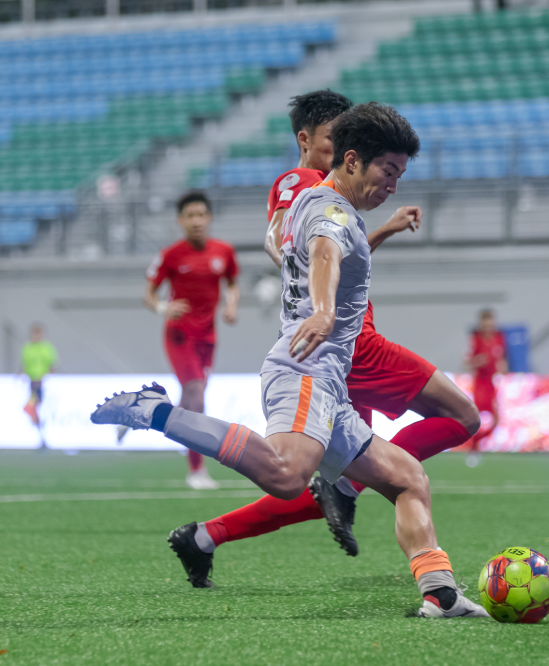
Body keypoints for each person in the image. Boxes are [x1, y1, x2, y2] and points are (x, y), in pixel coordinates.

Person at [93, 103, 488, 618]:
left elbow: (309, 246)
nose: (393, 185)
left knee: (407, 477)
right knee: (285, 476)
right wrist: (323, 310)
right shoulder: (330, 210)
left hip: (330, 380)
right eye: (388, 172)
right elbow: (324, 251)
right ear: (351, 160)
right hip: (305, 368)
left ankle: (440, 594)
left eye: (399, 175)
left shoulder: (319, 201)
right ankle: (157, 411)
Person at [136, 191, 239, 490]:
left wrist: (231, 304)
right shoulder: (171, 255)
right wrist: (162, 307)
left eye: (201, 215)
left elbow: (232, 283)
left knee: (190, 400)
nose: (197, 221)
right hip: (179, 336)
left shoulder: (223, 252)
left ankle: (144, 414)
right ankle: (196, 470)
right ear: (180, 220)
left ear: (210, 217)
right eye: (190, 216)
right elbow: (148, 295)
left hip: (208, 338)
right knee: (196, 395)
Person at [463, 309, 508, 467]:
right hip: (480, 384)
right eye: (485, 325)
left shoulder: (499, 338)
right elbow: (467, 361)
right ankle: (473, 449)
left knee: (497, 421)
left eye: (491, 325)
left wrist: (502, 366)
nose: (488, 328)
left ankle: (477, 444)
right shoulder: (476, 339)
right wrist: (477, 361)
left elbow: (502, 359)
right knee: (476, 419)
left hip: (492, 383)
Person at [21, 323, 58, 440]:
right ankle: (38, 428)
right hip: (32, 381)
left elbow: (52, 364)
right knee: (32, 406)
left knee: (39, 405)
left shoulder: (47, 347)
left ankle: (41, 428)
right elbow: (24, 364)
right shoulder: (27, 347)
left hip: (43, 381)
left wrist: (49, 377)